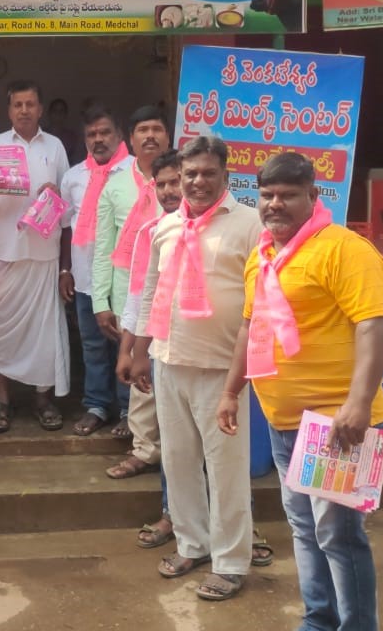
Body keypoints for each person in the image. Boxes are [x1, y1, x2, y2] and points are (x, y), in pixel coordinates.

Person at [218, 151, 383, 629]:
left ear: (313, 197)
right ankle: (319, 619)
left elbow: (373, 326)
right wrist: (232, 390)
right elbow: (250, 328)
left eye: (288, 195)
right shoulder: (264, 256)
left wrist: (357, 404)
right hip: (285, 422)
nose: (275, 204)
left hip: (336, 424)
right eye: (267, 195)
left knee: (339, 535)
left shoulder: (344, 250)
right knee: (303, 529)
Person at [132, 136, 261, 602]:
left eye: (208, 173)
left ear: (226, 176)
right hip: (169, 362)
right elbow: (150, 290)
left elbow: (260, 300)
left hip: (222, 369)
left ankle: (230, 561)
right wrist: (140, 349)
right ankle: (193, 544)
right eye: (190, 174)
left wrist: (244, 371)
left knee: (226, 469)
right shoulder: (164, 227)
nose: (198, 182)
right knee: (178, 461)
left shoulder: (249, 223)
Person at [0, 80, 73, 433]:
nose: (24, 110)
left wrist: (55, 192)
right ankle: (2, 402)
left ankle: (43, 399)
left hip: (44, 252)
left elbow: (67, 208)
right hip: (6, 252)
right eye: (17, 104)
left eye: (30, 104)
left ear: (40, 109)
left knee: (44, 333)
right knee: (1, 330)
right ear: (9, 111)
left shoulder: (55, 146)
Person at [115, 150, 182, 550]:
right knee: (175, 444)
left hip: (214, 353)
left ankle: (238, 529)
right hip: (163, 350)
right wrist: (131, 350)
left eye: (177, 181)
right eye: (163, 184)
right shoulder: (151, 233)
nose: (171, 190)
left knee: (220, 452)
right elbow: (140, 297)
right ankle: (172, 515)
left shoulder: (232, 226)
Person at [95, 106, 172, 452]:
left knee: (166, 373)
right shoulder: (114, 185)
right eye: (142, 129)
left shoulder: (179, 181)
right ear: (131, 139)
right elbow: (102, 247)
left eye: (157, 128)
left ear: (168, 136)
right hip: (129, 293)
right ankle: (139, 436)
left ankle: (159, 442)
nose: (150, 135)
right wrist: (100, 301)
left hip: (173, 297)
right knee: (134, 367)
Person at [61, 105, 131, 436]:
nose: (98, 139)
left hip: (122, 281)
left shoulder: (135, 173)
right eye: (92, 134)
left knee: (124, 344)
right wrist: (65, 270)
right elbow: (66, 227)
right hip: (86, 280)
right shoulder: (74, 176)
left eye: (105, 132)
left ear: (119, 135)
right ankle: (96, 405)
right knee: (92, 345)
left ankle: (129, 410)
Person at [46, 97, 84, 165]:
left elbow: (76, 160)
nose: (58, 114)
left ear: (65, 114)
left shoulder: (72, 137)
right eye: (55, 110)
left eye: (61, 111)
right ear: (49, 113)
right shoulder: (41, 134)